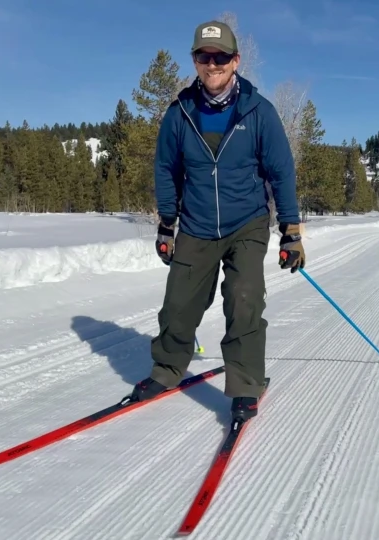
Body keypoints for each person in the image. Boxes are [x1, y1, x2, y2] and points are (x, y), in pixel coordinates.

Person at [129, 20, 305, 424]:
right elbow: (166, 170)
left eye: (220, 57)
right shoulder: (179, 113)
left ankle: (246, 384)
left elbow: (281, 172)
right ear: (194, 60)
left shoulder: (259, 111)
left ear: (235, 60)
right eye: (204, 57)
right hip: (196, 224)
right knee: (178, 304)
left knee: (244, 298)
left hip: (247, 222)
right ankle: (167, 369)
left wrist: (291, 231)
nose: (212, 65)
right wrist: (166, 225)